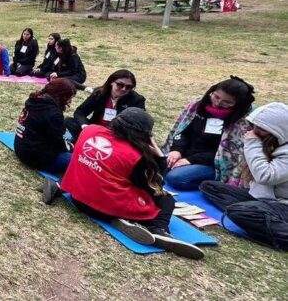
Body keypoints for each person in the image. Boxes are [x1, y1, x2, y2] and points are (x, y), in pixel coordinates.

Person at [48, 108, 205, 259]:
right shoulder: (135, 155)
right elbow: (155, 184)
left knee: (89, 170)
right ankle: (159, 229)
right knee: (165, 198)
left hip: (77, 196)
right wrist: (159, 155)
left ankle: (61, 185)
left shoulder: (90, 130)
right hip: (102, 207)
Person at [200, 102, 288, 250]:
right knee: (208, 186)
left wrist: (253, 143)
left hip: (282, 203)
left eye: (260, 129)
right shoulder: (272, 142)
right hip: (263, 196)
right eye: (253, 127)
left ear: (278, 131)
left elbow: (265, 176)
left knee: (239, 212)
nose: (253, 132)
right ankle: (252, 211)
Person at [163, 77, 256, 190]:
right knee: (152, 166)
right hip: (186, 153)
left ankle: (211, 182)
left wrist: (191, 160)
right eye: (216, 97)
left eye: (226, 102)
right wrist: (176, 150)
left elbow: (227, 154)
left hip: (213, 164)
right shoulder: (197, 105)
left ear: (238, 104)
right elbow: (183, 131)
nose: (217, 103)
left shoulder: (243, 122)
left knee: (176, 177)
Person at [14, 79, 77, 175]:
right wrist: (72, 148)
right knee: (79, 160)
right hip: (33, 156)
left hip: (19, 147)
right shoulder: (53, 113)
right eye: (69, 98)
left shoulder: (34, 100)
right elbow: (58, 143)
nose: (70, 102)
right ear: (61, 96)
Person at [66, 70, 145, 140]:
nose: (124, 89)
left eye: (129, 87)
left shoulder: (137, 100)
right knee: (69, 122)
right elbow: (80, 112)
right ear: (111, 82)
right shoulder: (99, 93)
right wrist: (85, 126)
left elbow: (139, 126)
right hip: (96, 129)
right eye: (120, 85)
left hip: (119, 135)